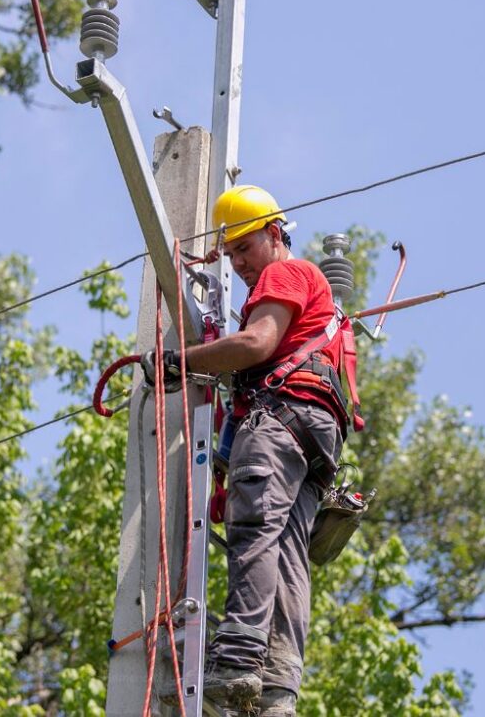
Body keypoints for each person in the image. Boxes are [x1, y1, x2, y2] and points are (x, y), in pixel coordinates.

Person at [143, 185, 350, 714]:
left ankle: (237, 659)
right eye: (230, 254)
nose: (238, 264)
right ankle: (278, 687)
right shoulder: (307, 290)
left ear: (275, 234)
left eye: (245, 248)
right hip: (315, 435)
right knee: (285, 555)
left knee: (254, 529)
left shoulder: (287, 272)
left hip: (283, 419)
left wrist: (179, 361)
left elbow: (256, 344)